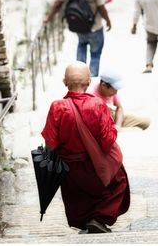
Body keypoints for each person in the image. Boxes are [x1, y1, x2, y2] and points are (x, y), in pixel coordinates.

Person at [41, 61, 130, 233]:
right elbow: (107, 140)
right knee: (119, 181)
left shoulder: (57, 107)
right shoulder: (97, 105)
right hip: (95, 166)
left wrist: (51, 167)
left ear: (64, 82)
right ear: (89, 82)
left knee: (77, 193)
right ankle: (99, 218)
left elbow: (50, 144)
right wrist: (112, 124)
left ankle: (88, 221)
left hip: (70, 167)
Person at [44, 0, 112, 77]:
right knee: (95, 55)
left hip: (78, 26)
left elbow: (58, 3)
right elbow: (102, 8)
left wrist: (48, 18)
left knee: (81, 45)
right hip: (95, 27)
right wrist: (108, 21)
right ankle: (91, 80)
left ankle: (79, 76)